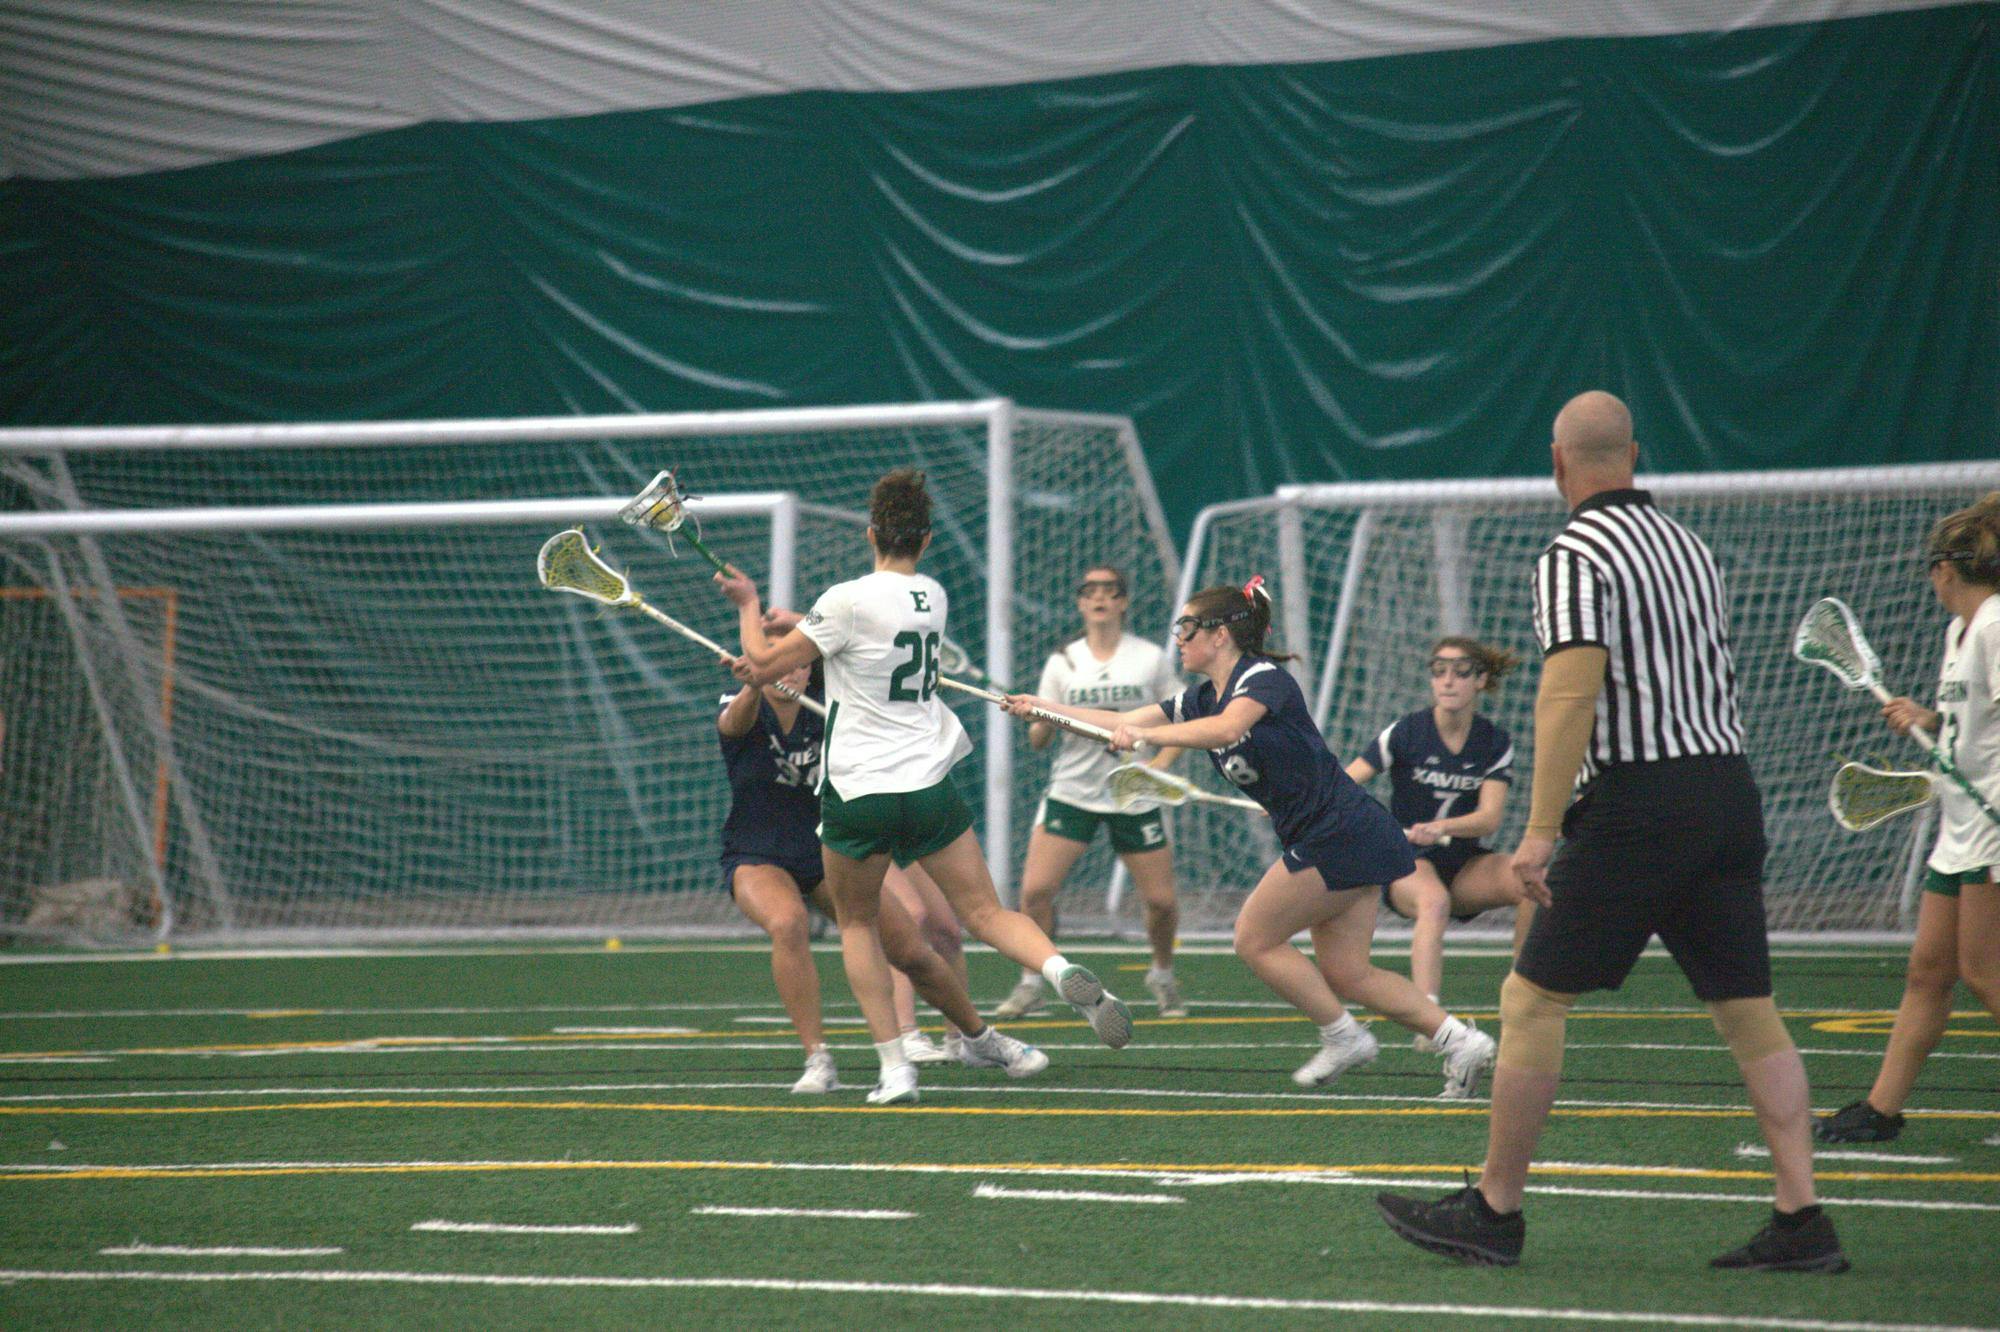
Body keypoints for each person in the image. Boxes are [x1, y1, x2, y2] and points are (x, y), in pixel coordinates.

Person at [1375, 390, 1847, 1272]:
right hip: (1726, 790)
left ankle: (1494, 1211)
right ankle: (1802, 1218)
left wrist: (1541, 829)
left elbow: (1570, 692)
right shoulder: (1689, 547)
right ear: (1635, 454)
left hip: (1639, 802)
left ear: (1558, 464)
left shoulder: (1574, 552)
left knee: (1530, 999)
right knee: (1748, 1009)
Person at [719, 467, 1132, 1105]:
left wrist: (751, 609)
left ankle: (896, 1072)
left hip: (861, 790)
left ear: (870, 532)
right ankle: (1057, 968)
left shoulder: (845, 599)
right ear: (928, 539)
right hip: (929, 781)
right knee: (986, 913)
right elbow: (853, 640)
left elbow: (768, 659)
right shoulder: (931, 597)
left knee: (858, 924)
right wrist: (807, 623)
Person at [1004, 578, 1498, 1097]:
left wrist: (1146, 737)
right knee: (1348, 974)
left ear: (1220, 635)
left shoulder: (1262, 680)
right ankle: (1461, 1042)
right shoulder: (1200, 698)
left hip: (1339, 832)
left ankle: (1343, 1035)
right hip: (1341, 834)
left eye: (1187, 627)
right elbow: (1121, 720)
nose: (1179, 638)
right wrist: (1044, 710)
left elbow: (1223, 730)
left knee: (1254, 938)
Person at [716, 662, 1038, 1093]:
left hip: (829, 848)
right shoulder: (743, 706)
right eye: (778, 662)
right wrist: (752, 682)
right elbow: (734, 724)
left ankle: (980, 1037)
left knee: (911, 951)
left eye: (798, 663)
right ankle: (818, 1059)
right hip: (759, 853)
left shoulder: (834, 708)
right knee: (787, 922)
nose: (788, 672)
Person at [1817, 492, 2000, 1142]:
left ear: (1946, 570)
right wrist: (1931, 719)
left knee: (1985, 973)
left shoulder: (1996, 623)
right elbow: (1978, 719)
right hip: (1962, 825)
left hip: (1993, 828)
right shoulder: (1961, 632)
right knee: (1929, 971)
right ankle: (1881, 1109)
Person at [995, 564, 1191, 1021]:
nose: (1100, 598)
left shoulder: (1149, 659)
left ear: (1123, 601)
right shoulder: (1062, 663)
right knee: (1035, 892)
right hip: (1073, 792)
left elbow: (1179, 721)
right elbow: (1039, 741)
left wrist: (1158, 769)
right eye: (1091, 591)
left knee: (1161, 901)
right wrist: (1038, 719)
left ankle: (1162, 975)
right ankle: (1031, 982)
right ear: (1081, 602)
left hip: (1133, 794)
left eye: (1110, 591)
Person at [1346, 637, 1529, 1025]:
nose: (1448, 681)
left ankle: (1528, 991)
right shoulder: (1406, 732)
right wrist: (1294, 799)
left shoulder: (1494, 742)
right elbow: (1345, 784)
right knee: (1433, 901)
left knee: (1531, 880)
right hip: (1408, 862)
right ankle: (1428, 1017)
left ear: (1480, 680)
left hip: (1462, 863)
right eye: (1439, 671)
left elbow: (1489, 818)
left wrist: (1442, 826)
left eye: (1461, 672)